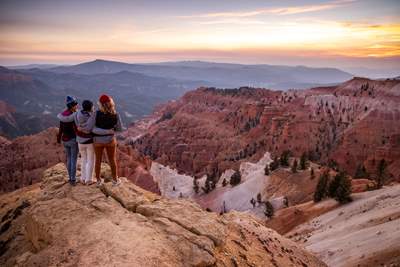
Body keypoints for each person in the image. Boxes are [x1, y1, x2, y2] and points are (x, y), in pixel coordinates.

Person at [89, 94, 123, 187]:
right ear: (110, 103)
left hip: (97, 141)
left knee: (98, 160)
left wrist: (99, 131)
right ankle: (115, 180)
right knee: (112, 160)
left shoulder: (96, 113)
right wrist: (109, 130)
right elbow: (119, 129)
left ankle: (99, 181)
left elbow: (90, 127)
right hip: (110, 141)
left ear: (100, 104)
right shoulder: (115, 114)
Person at [57, 96, 79, 186]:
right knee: (73, 159)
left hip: (64, 140)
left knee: (69, 159)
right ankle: (73, 180)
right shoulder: (73, 116)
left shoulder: (63, 115)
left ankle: (70, 178)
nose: (77, 106)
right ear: (72, 106)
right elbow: (76, 128)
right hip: (73, 140)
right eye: (75, 105)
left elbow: (60, 128)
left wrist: (59, 138)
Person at [74, 100, 95, 185]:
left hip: (80, 140)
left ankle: (82, 178)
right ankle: (88, 180)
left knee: (83, 159)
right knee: (90, 160)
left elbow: (77, 125)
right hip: (89, 141)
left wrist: (81, 128)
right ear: (90, 107)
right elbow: (91, 128)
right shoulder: (91, 116)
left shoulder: (77, 114)